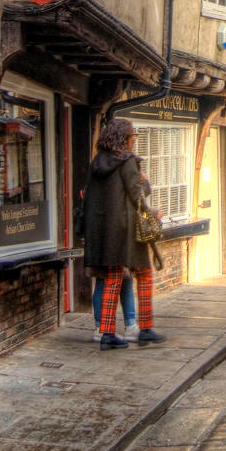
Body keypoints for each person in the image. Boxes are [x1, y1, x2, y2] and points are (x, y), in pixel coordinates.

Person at [83, 116, 165, 349]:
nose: (133, 141)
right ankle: (145, 327)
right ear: (125, 138)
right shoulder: (127, 161)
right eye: (132, 137)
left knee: (112, 279)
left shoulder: (97, 161)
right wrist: (150, 212)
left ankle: (107, 334)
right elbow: (136, 195)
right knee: (145, 274)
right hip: (127, 230)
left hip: (103, 233)